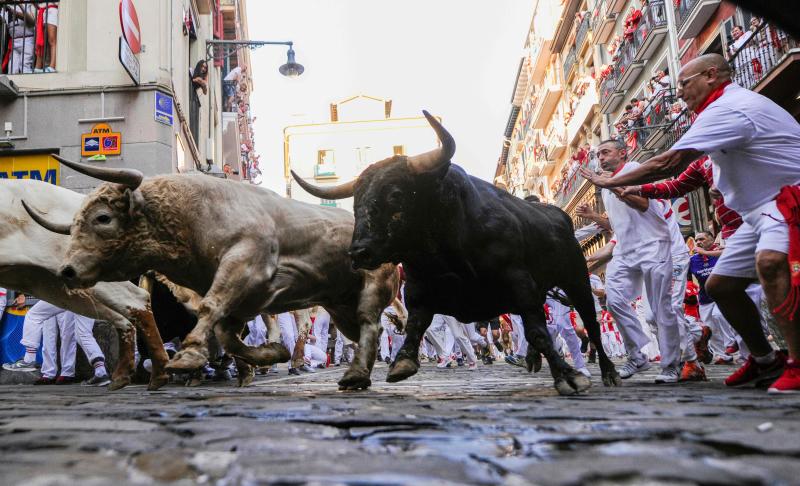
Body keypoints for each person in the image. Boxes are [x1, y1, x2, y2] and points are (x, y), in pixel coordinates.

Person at [580, 53, 800, 393]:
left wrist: (610, 182)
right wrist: (632, 186)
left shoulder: (726, 108)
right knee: (720, 286)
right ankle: (764, 360)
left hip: (786, 202)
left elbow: (671, 161)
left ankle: (796, 365)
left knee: (770, 266)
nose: (679, 92)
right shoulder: (714, 121)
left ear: (711, 75)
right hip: (755, 217)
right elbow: (679, 182)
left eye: (684, 83)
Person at [580, 139, 684, 383]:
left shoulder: (635, 171)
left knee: (661, 308)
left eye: (605, 152)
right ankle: (638, 356)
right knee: (614, 301)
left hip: (653, 245)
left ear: (623, 153)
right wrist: (595, 215)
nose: (601, 158)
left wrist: (610, 184)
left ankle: (671, 365)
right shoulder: (605, 187)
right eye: (598, 155)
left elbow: (643, 205)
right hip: (624, 250)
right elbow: (616, 225)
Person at [2, 2, 36, 74]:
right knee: (12, 69)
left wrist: (19, 6)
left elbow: (32, 22)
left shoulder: (28, 3)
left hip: (27, 39)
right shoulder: (7, 6)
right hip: (14, 41)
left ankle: (27, 85)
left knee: (25, 66)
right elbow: (2, 20)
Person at [33, 2, 57, 73]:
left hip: (51, 9)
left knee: (51, 39)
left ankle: (52, 66)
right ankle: (38, 66)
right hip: (42, 11)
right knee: (41, 40)